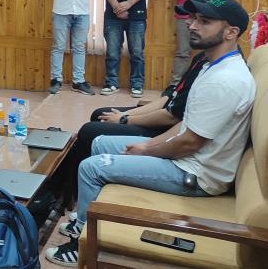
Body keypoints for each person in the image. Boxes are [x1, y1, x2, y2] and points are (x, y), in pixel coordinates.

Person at [47, 0, 254, 267]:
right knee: (98, 143)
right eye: (193, 18)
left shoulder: (225, 80)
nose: (192, 25)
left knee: (91, 168)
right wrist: (148, 145)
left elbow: (189, 142)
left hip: (195, 174)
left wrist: (147, 149)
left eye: (204, 21)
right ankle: (84, 220)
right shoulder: (210, 65)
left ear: (231, 32)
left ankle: (82, 244)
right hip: (187, 158)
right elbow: (183, 125)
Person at [58, 51, 206, 206]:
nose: (191, 30)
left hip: (164, 129)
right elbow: (168, 99)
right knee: (99, 115)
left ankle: (72, 194)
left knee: (89, 132)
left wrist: (125, 120)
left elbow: (172, 117)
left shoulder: (212, 76)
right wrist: (124, 115)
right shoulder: (201, 59)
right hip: (166, 117)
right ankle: (71, 189)